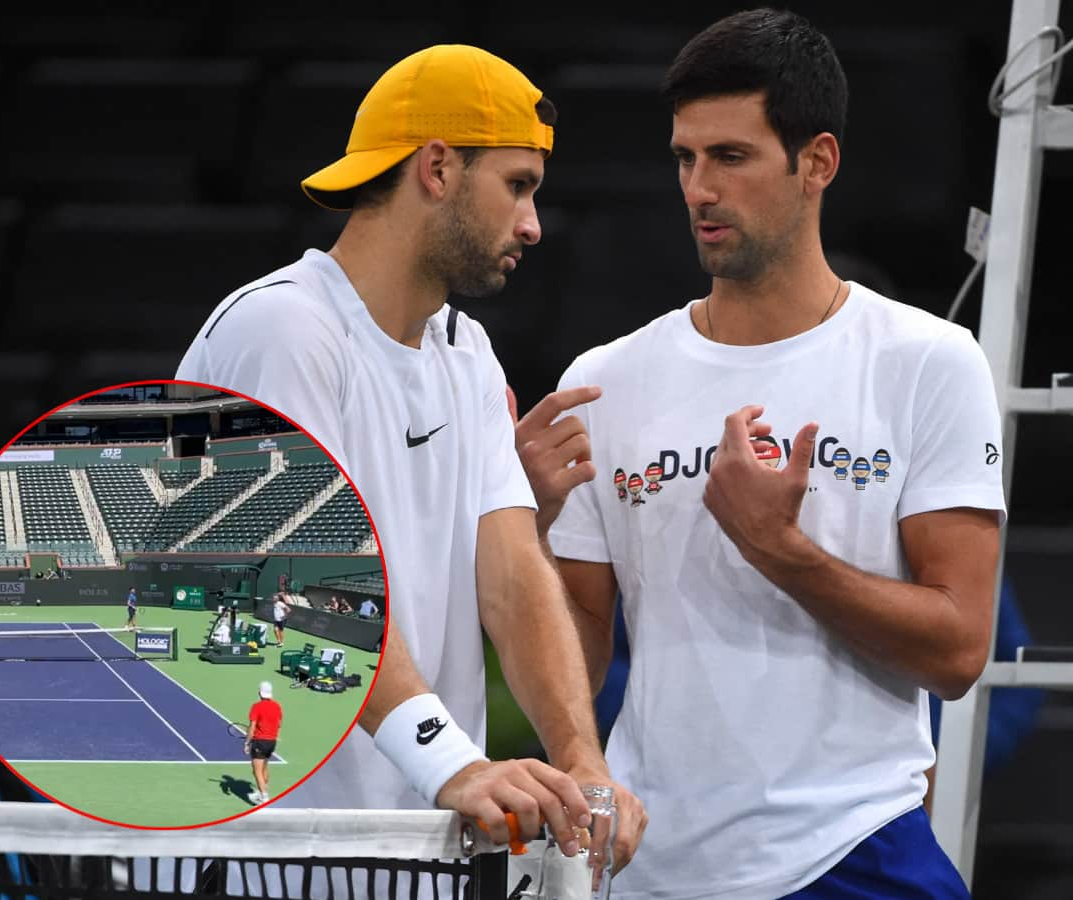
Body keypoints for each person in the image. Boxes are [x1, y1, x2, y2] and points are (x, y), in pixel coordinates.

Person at [534, 10, 1005, 898]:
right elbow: (580, 646)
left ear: (816, 163)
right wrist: (529, 527)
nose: (699, 188)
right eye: (686, 158)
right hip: (649, 863)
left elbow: (958, 651)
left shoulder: (927, 361)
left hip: (855, 851)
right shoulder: (607, 380)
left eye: (732, 157)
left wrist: (777, 547)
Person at [177, 43, 645, 867]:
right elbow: (305, 590)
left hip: (410, 855)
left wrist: (582, 758)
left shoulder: (467, 352)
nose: (534, 224)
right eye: (518, 185)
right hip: (260, 857)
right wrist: (457, 765)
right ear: (436, 168)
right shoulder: (280, 332)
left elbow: (512, 576)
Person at [245, 680, 283, 806]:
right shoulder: (277, 706)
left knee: (257, 771)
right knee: (264, 768)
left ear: (259, 693)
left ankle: (264, 798)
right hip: (272, 742)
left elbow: (252, 727)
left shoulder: (256, 706)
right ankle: (261, 791)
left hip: (259, 742)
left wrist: (247, 742)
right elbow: (279, 725)